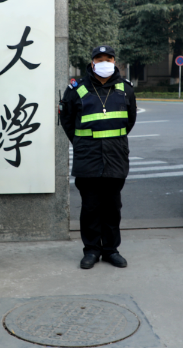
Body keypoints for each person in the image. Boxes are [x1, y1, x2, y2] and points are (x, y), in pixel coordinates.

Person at [59, 45, 136, 270]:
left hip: (116, 156)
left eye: (108, 58)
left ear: (114, 61)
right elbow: (66, 120)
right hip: (88, 157)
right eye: (99, 59)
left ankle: (111, 250)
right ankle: (91, 250)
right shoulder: (76, 89)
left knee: (113, 206)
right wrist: (83, 143)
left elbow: (129, 121)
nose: (104, 62)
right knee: (90, 206)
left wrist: (110, 142)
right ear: (92, 63)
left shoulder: (126, 89)